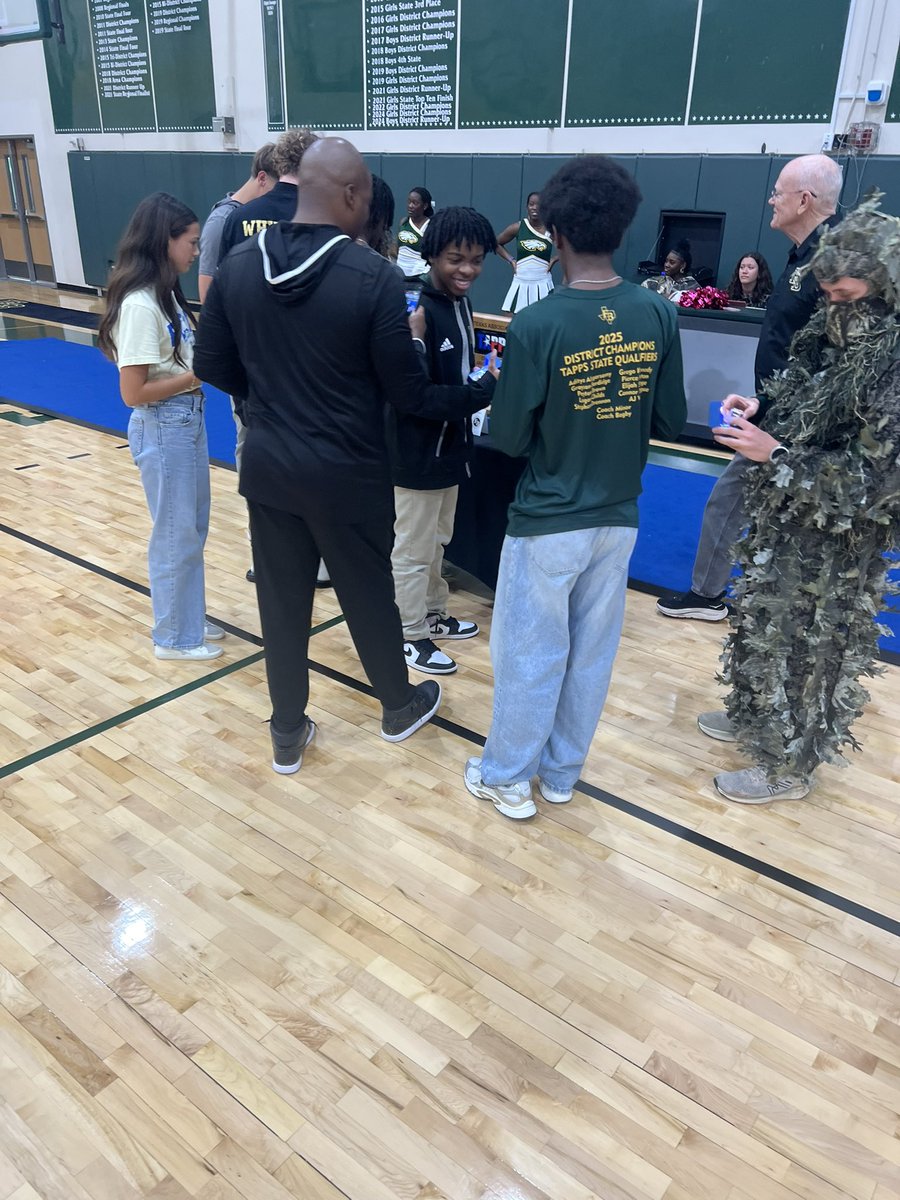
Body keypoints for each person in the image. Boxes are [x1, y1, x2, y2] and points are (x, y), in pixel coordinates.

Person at [193, 138, 495, 773]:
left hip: (269, 465)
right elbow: (407, 391)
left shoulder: (241, 264)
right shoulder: (375, 279)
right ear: (353, 196)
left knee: (281, 601)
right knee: (366, 592)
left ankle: (286, 732)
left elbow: (210, 362)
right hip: (348, 471)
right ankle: (397, 705)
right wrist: (476, 391)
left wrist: (267, 404)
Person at [463, 155, 687, 820]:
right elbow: (671, 419)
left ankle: (506, 776)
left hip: (548, 516)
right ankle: (560, 775)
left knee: (531, 651)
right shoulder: (657, 313)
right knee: (590, 655)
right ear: (623, 228)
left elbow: (506, 438)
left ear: (553, 231)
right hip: (619, 517)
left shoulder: (537, 325)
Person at [696, 196, 900, 803]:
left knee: (816, 644)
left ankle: (790, 765)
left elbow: (875, 480)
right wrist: (763, 410)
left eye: (846, 292)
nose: (834, 303)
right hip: (788, 513)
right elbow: (804, 390)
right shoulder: (836, 329)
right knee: (765, 620)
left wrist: (776, 456)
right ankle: (758, 718)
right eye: (829, 292)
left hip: (843, 535)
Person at [656, 154, 844, 621]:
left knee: (743, 505)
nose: (770, 199)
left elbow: (840, 362)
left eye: (778, 191)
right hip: (780, 412)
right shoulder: (802, 257)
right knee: (738, 505)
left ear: (804, 200)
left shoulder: (834, 262)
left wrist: (789, 430)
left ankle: (719, 597)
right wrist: (763, 402)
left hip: (804, 430)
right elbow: (801, 352)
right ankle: (723, 594)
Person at [97, 193, 223, 662]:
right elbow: (133, 392)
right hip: (164, 423)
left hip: (185, 418)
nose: (195, 251)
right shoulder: (140, 305)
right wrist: (197, 375)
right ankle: (174, 636)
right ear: (165, 241)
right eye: (190, 242)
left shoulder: (164, 293)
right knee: (174, 534)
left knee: (191, 529)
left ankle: (186, 615)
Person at [386, 206, 498, 676]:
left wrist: (479, 378)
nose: (467, 269)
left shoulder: (461, 301)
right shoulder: (414, 306)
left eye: (475, 259)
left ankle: (433, 611)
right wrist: (482, 389)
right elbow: (414, 396)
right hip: (415, 453)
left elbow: (455, 375)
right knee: (412, 549)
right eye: (456, 258)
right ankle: (409, 633)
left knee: (438, 541)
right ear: (432, 254)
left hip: (451, 448)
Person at [216, 128, 317, 264]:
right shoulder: (321, 219)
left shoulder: (237, 218)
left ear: (279, 163)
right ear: (316, 167)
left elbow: (222, 279)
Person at [197, 143, 277, 303]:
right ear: (262, 179)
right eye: (279, 186)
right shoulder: (221, 220)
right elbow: (207, 292)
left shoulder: (266, 214)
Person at [497, 191, 558, 312]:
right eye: (531, 204)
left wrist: (554, 260)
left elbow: (570, 246)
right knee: (510, 322)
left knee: (544, 318)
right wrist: (511, 260)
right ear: (527, 207)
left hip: (543, 282)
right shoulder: (518, 227)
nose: (535, 208)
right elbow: (496, 243)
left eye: (539, 205)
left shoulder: (550, 230)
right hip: (521, 281)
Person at [396, 187, 433, 282]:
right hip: (401, 275)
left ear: (424, 206)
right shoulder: (404, 222)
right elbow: (396, 248)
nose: (410, 206)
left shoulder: (430, 225)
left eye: (415, 203)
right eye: (409, 202)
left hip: (419, 277)